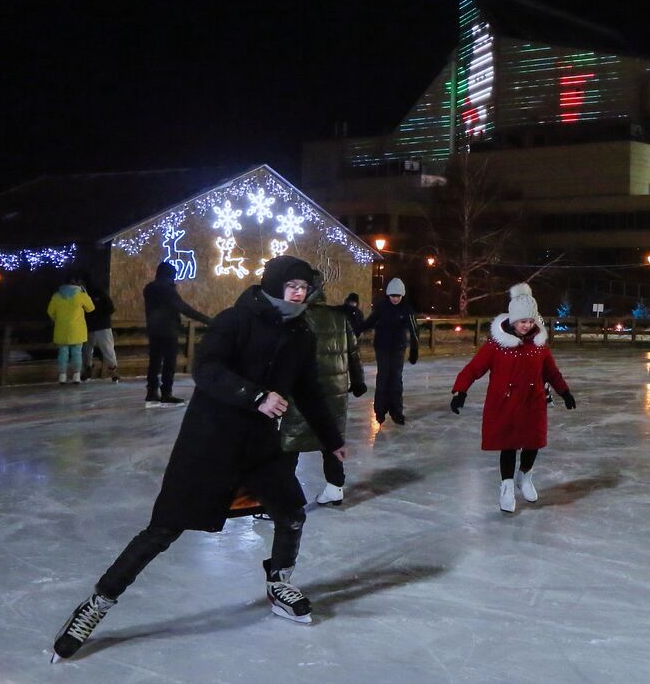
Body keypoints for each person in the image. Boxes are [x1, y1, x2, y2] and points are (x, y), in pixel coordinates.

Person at [51, 256, 346, 660]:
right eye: (292, 285)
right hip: (209, 446)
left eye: (304, 287)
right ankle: (96, 604)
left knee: (292, 512)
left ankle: (280, 581)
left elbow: (309, 390)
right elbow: (206, 371)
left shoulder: (301, 334)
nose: (299, 293)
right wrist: (255, 396)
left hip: (260, 448)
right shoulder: (234, 321)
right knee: (163, 530)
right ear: (274, 284)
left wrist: (332, 439)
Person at [450, 283, 575, 513]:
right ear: (512, 320)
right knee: (508, 446)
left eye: (530, 321)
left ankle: (525, 476)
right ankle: (506, 485)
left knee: (533, 442)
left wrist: (564, 392)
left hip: (533, 402)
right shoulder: (497, 346)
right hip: (506, 403)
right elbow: (473, 369)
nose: (526, 326)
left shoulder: (539, 346)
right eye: (522, 321)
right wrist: (461, 391)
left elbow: (551, 372)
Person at [281, 271, 367, 506]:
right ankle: (335, 487)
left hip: (301, 390)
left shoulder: (294, 318)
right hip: (335, 390)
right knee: (331, 439)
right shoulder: (339, 318)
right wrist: (358, 381)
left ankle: (283, 495)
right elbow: (354, 353)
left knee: (290, 441)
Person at [143, 261, 212, 408]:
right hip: (168, 330)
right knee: (169, 363)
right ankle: (166, 392)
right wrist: (207, 320)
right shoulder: (167, 289)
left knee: (154, 362)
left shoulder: (149, 288)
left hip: (153, 330)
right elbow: (183, 308)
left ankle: (151, 392)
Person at [361, 278, 419, 425]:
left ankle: (396, 411)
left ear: (402, 295)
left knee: (396, 379)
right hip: (382, 347)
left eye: (397, 296)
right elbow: (370, 321)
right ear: (388, 295)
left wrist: (414, 349)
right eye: (392, 296)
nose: (394, 299)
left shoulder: (407, 309)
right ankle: (380, 411)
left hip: (398, 348)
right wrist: (358, 329)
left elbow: (414, 330)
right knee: (383, 378)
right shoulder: (382, 307)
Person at [47, 275, 95, 385]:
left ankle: (62, 376)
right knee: (77, 353)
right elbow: (91, 308)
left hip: (61, 329)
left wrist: (57, 320)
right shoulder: (80, 294)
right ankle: (76, 376)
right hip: (77, 329)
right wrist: (85, 293)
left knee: (63, 353)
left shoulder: (57, 295)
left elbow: (50, 311)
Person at [82, 281, 119, 382]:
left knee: (87, 349)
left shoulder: (85, 294)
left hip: (92, 325)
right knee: (107, 349)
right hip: (102, 324)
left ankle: (87, 369)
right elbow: (110, 309)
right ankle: (113, 371)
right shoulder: (100, 293)